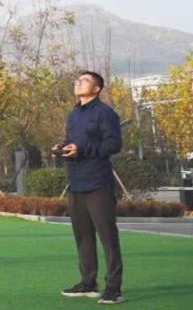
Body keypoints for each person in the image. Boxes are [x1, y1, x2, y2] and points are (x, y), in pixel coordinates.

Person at [55, 70, 125, 305]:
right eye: (77, 80)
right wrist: (63, 147)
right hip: (76, 182)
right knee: (83, 235)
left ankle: (113, 288)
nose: (78, 83)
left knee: (107, 235)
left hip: (98, 182)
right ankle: (88, 283)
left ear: (96, 88)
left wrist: (83, 150)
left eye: (84, 81)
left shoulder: (105, 113)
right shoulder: (74, 113)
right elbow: (74, 142)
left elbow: (113, 144)